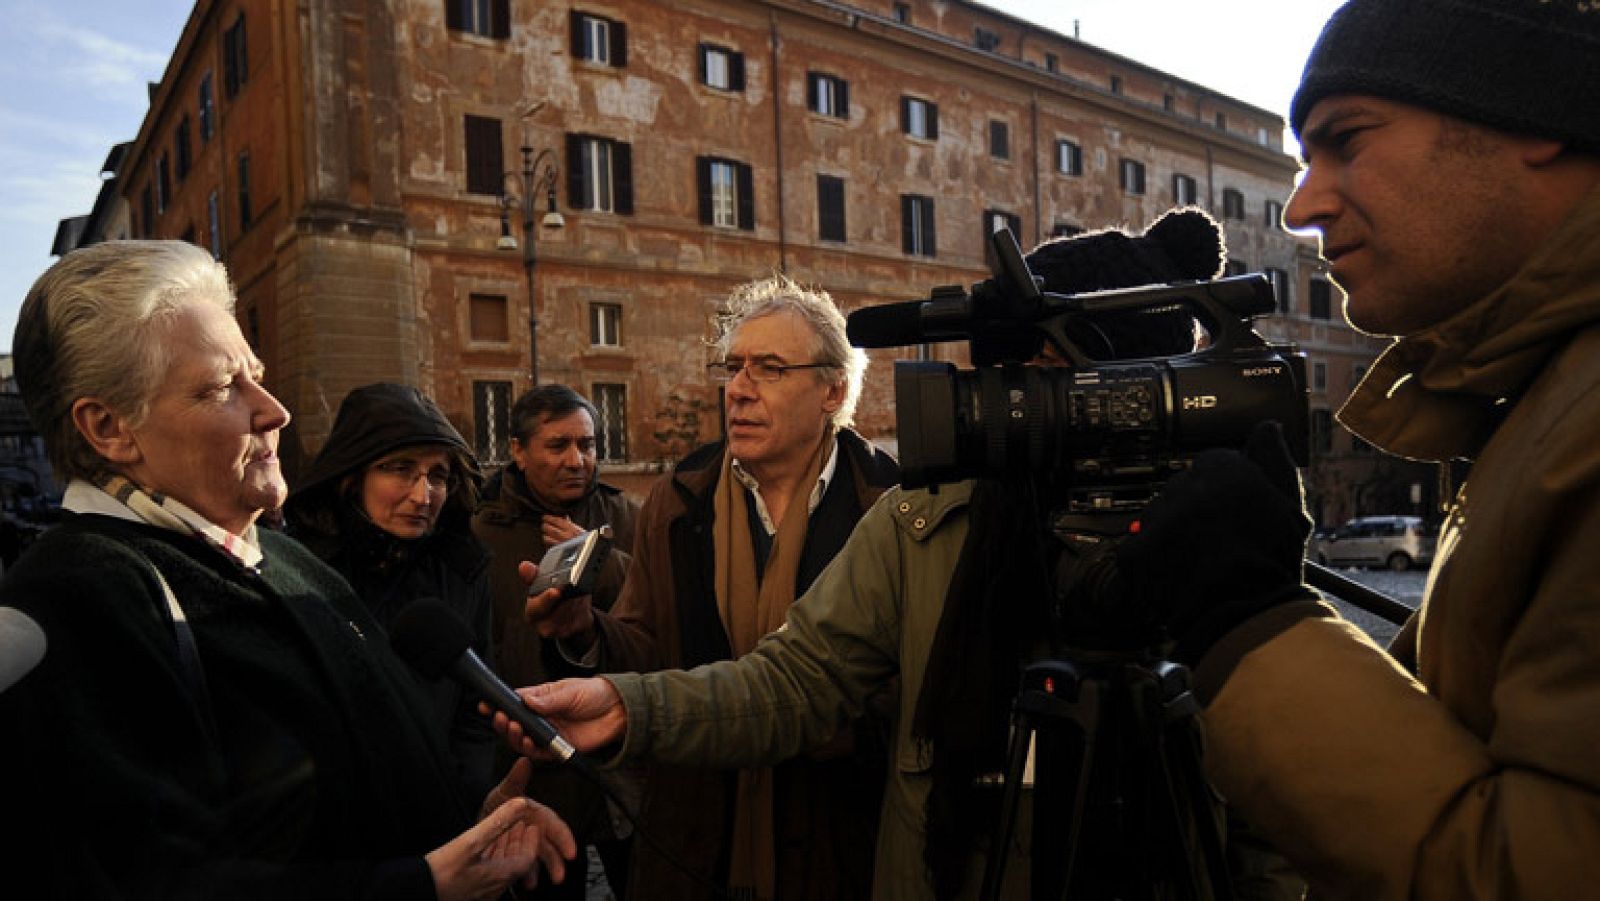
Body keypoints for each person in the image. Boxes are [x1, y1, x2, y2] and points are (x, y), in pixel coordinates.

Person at [501, 209, 1233, 900]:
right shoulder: (916, 521)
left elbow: (1271, 814)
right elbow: (796, 677)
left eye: (1052, 365)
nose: (740, 389)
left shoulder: (1220, 531)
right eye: (734, 367)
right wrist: (626, 699)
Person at [0, 240, 575, 899]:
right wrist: (422, 882)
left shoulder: (281, 554)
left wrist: (466, 821)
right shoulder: (71, 606)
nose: (275, 409)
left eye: (256, 374)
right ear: (108, 427)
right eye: (223, 388)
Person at [528, 274, 902, 900]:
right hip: (697, 834)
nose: (739, 390)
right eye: (733, 368)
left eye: (770, 369)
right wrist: (586, 636)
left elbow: (913, 684)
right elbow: (649, 646)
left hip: (840, 840)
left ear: (832, 391)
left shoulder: (889, 505)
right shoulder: (679, 501)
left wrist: (832, 725)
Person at [282, 382, 496, 802]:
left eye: (438, 475)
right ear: (352, 477)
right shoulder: (297, 573)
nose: (423, 495)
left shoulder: (463, 569)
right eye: (400, 469)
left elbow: (477, 706)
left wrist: (465, 796)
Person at [471, 383, 640, 898]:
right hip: (527, 761)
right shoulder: (479, 533)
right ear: (518, 452)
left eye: (587, 445)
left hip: (619, 757)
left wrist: (599, 560)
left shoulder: (627, 516)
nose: (577, 460)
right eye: (558, 445)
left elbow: (655, 612)